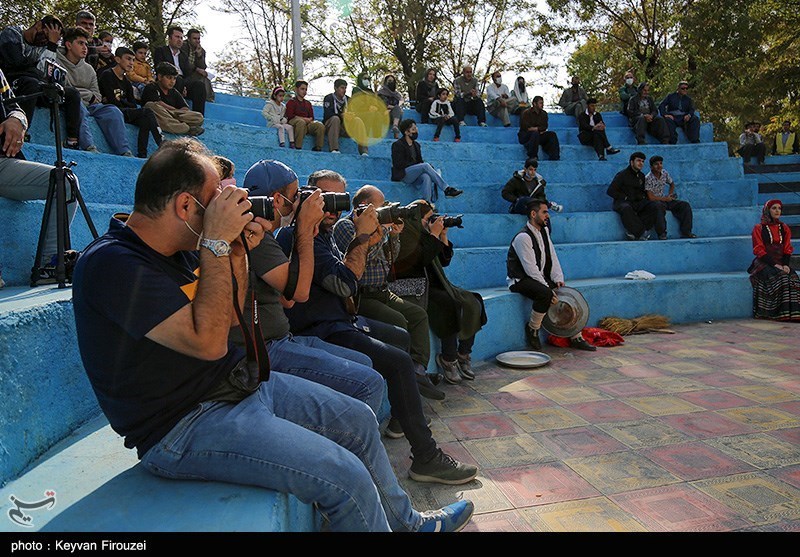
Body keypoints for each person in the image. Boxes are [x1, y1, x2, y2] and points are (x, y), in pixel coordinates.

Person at [71, 138, 475, 533]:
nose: (227, 205)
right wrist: (215, 241)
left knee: (359, 420)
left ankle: (407, 524)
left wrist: (235, 252)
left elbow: (233, 320)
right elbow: (210, 343)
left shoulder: (185, 250)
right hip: (182, 425)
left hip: (235, 388)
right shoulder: (112, 264)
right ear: (184, 206)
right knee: (343, 473)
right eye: (217, 199)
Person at [275, 169, 479, 485]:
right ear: (306, 197)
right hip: (320, 329)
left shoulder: (323, 232)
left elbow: (387, 264)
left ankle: (403, 411)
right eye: (323, 199)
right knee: (398, 362)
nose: (331, 208)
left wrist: (381, 236)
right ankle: (425, 455)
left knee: (399, 336)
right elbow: (346, 284)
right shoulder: (302, 236)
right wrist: (363, 235)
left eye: (337, 200)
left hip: (342, 319)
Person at [238, 160, 387, 415]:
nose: (300, 202)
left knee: (364, 362)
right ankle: (347, 443)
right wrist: (305, 229)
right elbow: (300, 293)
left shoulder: (269, 236)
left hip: (283, 338)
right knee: (370, 382)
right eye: (296, 196)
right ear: (276, 200)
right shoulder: (258, 238)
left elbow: (287, 300)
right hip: (269, 347)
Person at [331, 184, 443, 402]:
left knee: (418, 315)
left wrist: (393, 236)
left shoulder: (378, 227)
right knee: (398, 320)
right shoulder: (345, 227)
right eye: (381, 206)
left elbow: (390, 259)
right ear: (364, 205)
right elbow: (363, 260)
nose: (385, 210)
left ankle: (417, 371)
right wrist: (379, 234)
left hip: (383, 291)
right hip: (361, 295)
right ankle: (406, 380)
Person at [394, 200, 487, 384]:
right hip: (416, 288)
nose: (431, 222)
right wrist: (434, 235)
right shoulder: (406, 234)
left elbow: (443, 261)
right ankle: (448, 358)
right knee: (448, 303)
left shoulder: (426, 233)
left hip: (437, 284)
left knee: (473, 301)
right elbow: (420, 260)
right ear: (417, 218)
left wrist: (442, 236)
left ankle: (463, 353)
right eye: (428, 218)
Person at [0, 66, 79, 283]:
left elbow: (14, 106)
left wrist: (17, 119)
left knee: (65, 182)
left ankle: (50, 265)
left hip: (4, 163)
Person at [507, 199, 596, 352]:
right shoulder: (523, 237)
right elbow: (530, 269)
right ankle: (532, 329)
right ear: (533, 214)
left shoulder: (544, 231)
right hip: (520, 280)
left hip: (536, 277)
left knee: (566, 293)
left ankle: (575, 335)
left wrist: (558, 279)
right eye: (545, 212)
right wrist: (549, 288)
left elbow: (552, 256)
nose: (548, 215)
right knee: (546, 294)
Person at [0, 15, 84, 150]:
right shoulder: (12, 34)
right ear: (38, 25)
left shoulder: (45, 47)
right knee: (31, 83)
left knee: (71, 93)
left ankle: (72, 141)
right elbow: (15, 63)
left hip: (34, 86)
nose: (45, 40)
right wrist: (34, 70)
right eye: (46, 34)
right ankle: (22, 133)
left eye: (50, 38)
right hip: (11, 86)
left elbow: (44, 73)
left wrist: (51, 45)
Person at [56, 26, 133, 156]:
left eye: (86, 44)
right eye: (80, 43)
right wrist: (87, 94)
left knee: (113, 111)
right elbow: (64, 89)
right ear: (68, 45)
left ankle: (124, 151)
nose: (85, 47)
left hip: (92, 105)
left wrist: (84, 94)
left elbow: (97, 95)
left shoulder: (89, 69)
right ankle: (88, 147)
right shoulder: (57, 62)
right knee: (78, 106)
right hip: (71, 105)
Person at [98, 47, 163, 158]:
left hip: (124, 111)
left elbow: (132, 104)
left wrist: (121, 101)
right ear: (118, 60)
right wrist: (122, 102)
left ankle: (142, 154)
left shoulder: (127, 82)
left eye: (133, 60)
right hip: (111, 112)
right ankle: (161, 142)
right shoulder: (107, 75)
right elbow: (112, 103)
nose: (131, 63)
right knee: (147, 111)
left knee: (145, 120)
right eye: (128, 59)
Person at [748, 199, 800, 321]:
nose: (777, 211)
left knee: (793, 278)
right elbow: (759, 250)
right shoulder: (759, 228)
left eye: (779, 208)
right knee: (781, 278)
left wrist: (786, 265)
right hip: (764, 262)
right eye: (774, 208)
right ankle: (777, 313)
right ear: (767, 210)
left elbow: (787, 248)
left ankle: (793, 314)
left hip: (781, 262)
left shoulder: (784, 228)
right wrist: (775, 265)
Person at [391, 119, 463, 201]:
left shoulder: (416, 145)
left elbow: (419, 162)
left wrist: (424, 167)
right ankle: (446, 189)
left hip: (415, 176)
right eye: (413, 129)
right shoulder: (397, 145)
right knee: (425, 166)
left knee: (426, 177)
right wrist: (418, 166)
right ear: (406, 132)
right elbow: (398, 164)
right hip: (404, 174)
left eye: (416, 128)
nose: (416, 131)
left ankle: (427, 204)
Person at [607, 151, 666, 241]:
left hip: (637, 203)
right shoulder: (622, 175)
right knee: (626, 208)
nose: (641, 163)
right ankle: (641, 232)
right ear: (631, 162)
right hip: (623, 202)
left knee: (657, 205)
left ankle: (660, 233)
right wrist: (625, 197)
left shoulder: (642, 176)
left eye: (642, 161)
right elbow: (610, 191)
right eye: (638, 161)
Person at [152, 26, 206, 115]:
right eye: (177, 37)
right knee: (177, 79)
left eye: (181, 38)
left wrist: (184, 85)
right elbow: (159, 68)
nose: (180, 40)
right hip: (167, 80)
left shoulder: (183, 55)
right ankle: (175, 113)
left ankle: (198, 116)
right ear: (169, 38)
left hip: (182, 82)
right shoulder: (161, 51)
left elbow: (187, 73)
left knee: (199, 85)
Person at [141, 62, 204, 136]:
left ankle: (175, 123)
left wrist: (176, 112)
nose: (172, 81)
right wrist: (174, 111)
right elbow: (158, 104)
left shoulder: (174, 91)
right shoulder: (151, 87)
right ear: (160, 77)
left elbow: (185, 107)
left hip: (173, 115)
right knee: (151, 106)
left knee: (198, 116)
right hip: (160, 114)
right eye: (169, 78)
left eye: (174, 78)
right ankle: (186, 129)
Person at [644, 155, 696, 239]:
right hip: (655, 202)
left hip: (665, 199)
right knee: (658, 207)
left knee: (685, 205)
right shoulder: (648, 178)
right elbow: (651, 197)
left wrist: (670, 194)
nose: (659, 166)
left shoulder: (664, 173)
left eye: (661, 163)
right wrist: (665, 199)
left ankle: (686, 232)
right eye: (656, 164)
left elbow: (671, 184)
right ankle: (662, 233)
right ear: (651, 167)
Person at [322, 78, 368, 155]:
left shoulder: (348, 99)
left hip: (345, 127)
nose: (344, 90)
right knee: (335, 119)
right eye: (342, 88)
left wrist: (351, 116)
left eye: (345, 88)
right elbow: (327, 114)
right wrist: (341, 116)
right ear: (335, 88)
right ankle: (334, 149)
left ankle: (364, 151)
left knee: (358, 120)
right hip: (331, 127)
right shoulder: (329, 98)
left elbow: (354, 112)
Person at [285, 80, 325, 151]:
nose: (304, 91)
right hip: (295, 123)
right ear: (296, 89)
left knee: (320, 125)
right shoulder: (291, 102)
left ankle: (318, 147)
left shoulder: (308, 103)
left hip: (307, 124)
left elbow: (312, 117)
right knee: (301, 122)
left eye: (306, 89)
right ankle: (298, 147)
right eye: (302, 89)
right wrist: (303, 119)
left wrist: (309, 120)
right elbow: (290, 116)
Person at [518, 95, 560, 161]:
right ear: (534, 104)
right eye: (540, 103)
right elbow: (525, 127)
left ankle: (554, 156)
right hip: (526, 135)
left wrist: (536, 129)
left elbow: (544, 126)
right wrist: (538, 129)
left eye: (542, 103)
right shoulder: (526, 113)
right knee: (535, 133)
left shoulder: (544, 114)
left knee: (552, 134)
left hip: (538, 135)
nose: (542, 105)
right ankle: (533, 156)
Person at [181, 28, 214, 103]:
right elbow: (184, 63)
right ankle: (208, 98)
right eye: (194, 38)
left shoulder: (201, 50)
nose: (197, 41)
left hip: (193, 75)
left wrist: (199, 56)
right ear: (189, 39)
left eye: (198, 38)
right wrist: (197, 69)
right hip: (184, 73)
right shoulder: (183, 46)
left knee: (204, 77)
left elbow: (203, 67)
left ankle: (208, 99)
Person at [377, 74, 404, 139]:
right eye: (389, 80)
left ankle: (395, 127)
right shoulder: (380, 93)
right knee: (397, 109)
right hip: (383, 114)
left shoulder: (397, 95)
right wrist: (392, 108)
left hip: (393, 114)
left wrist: (393, 108)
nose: (391, 82)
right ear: (385, 82)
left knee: (398, 111)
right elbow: (383, 104)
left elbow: (401, 103)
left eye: (392, 81)